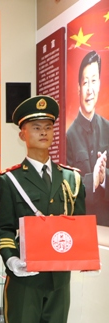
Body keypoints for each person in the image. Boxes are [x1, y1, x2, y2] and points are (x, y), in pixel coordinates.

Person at [0, 96, 85, 323]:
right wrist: (11, 260)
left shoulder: (72, 178)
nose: (44, 132)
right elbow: (5, 227)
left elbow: (79, 226)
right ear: (22, 134)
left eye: (48, 127)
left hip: (59, 277)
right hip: (26, 277)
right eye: (36, 127)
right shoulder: (9, 180)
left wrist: (85, 256)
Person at [66, 50, 108, 226]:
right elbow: (65, 188)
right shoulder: (69, 136)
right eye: (85, 83)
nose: (90, 90)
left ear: (99, 84)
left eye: (94, 81)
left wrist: (104, 178)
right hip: (80, 225)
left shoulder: (108, 128)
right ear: (78, 88)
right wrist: (93, 180)